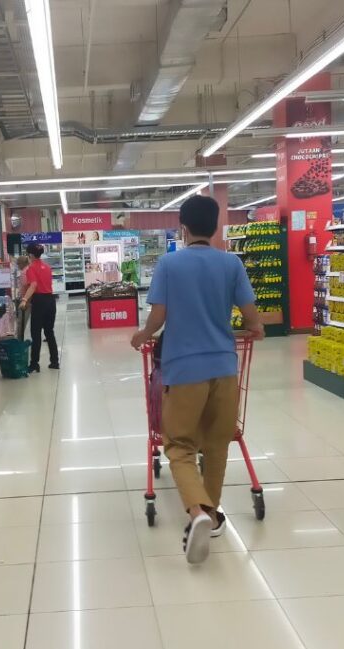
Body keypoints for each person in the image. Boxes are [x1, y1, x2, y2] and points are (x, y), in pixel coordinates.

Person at [130, 195, 264, 565]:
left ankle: (198, 512)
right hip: (224, 369)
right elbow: (252, 316)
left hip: (184, 370)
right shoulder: (231, 263)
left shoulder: (170, 264)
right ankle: (213, 511)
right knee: (218, 443)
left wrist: (143, 334)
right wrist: (255, 329)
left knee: (180, 445)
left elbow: (159, 316)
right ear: (217, 227)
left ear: (183, 228)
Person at [21, 243, 59, 372]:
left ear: (30, 255)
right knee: (49, 332)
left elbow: (34, 285)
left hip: (40, 301)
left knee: (36, 334)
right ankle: (55, 361)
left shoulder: (31, 268)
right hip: (50, 300)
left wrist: (24, 300)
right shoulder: (47, 267)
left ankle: (34, 364)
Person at [15, 255, 31, 341]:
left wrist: (25, 301)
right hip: (30, 300)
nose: (18, 266)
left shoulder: (24, 272)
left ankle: (19, 342)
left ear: (22, 263)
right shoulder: (29, 269)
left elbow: (27, 286)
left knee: (21, 323)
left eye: (18, 264)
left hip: (26, 301)